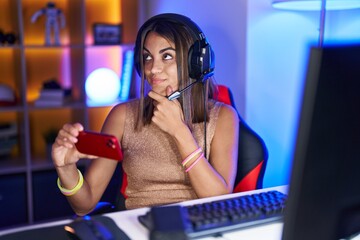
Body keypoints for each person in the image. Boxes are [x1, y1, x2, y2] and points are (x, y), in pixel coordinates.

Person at [52, 13, 239, 216]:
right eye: (147, 57)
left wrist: (180, 132)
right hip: (140, 227)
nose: (152, 68)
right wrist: (66, 168)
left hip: (198, 226)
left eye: (166, 56)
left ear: (196, 63)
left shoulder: (223, 117)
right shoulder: (123, 115)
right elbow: (85, 205)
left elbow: (221, 199)